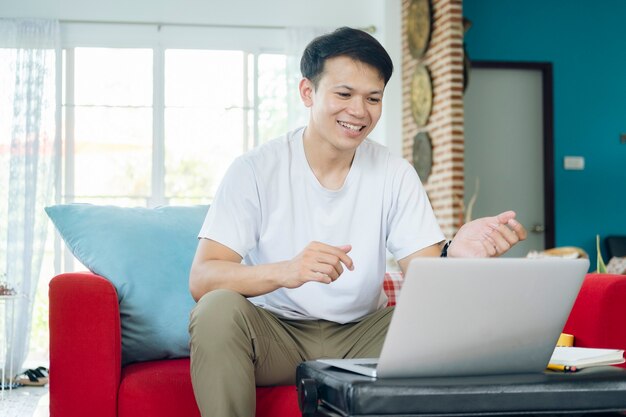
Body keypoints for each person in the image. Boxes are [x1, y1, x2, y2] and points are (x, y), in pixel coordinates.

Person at [188, 27, 527, 417]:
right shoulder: (254, 169)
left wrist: (455, 252)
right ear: (307, 93)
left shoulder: (394, 172)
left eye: (373, 98)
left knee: (454, 325)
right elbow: (203, 278)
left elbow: (427, 280)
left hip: (363, 334)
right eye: (344, 94)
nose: (359, 111)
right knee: (215, 310)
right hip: (274, 334)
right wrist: (288, 270)